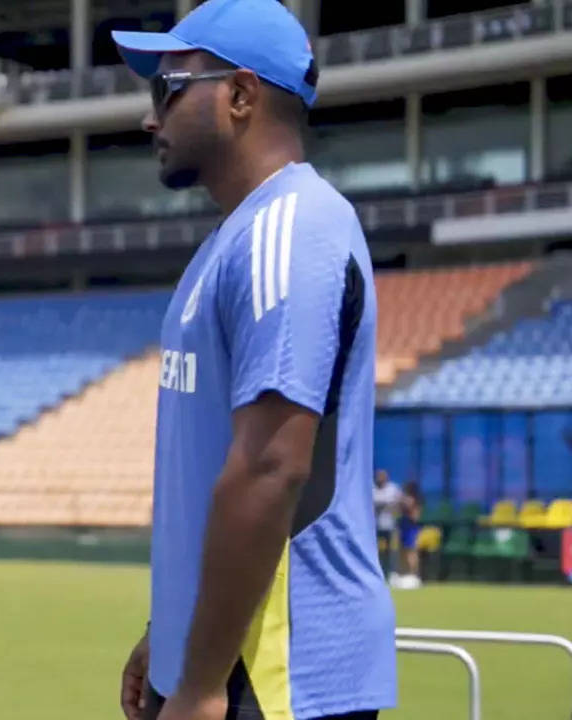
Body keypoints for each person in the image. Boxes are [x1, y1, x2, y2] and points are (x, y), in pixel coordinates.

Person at [111, 1, 397, 718]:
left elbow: (273, 467)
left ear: (239, 95)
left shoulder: (292, 226)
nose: (152, 118)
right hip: (231, 661)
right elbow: (211, 462)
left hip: (280, 679)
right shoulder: (238, 237)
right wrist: (170, 638)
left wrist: (204, 682)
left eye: (167, 88)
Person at [372, 470, 402, 582]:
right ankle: (377, 574)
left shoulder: (392, 489)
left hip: (390, 525)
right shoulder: (372, 489)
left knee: (391, 551)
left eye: (382, 476)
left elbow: (398, 503)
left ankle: (392, 574)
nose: (380, 478)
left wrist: (390, 506)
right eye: (378, 476)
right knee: (375, 551)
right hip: (374, 527)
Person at [394, 482, 423, 590]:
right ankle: (403, 574)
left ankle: (414, 575)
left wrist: (405, 502)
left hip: (411, 527)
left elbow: (414, 515)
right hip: (403, 526)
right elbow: (398, 508)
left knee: (411, 551)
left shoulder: (415, 500)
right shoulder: (405, 498)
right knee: (402, 551)